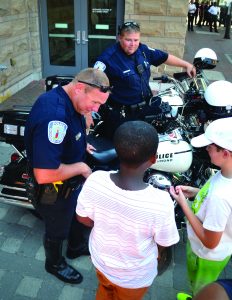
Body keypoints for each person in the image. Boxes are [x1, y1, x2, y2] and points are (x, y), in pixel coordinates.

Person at [24, 68, 110, 284]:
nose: (96, 109)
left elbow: (74, 128)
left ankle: (76, 247)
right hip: (52, 190)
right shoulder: (54, 116)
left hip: (70, 183)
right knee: (58, 227)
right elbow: (44, 174)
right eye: (95, 103)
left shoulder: (71, 97)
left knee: (75, 215)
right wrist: (81, 167)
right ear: (80, 88)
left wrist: (81, 141)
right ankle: (54, 263)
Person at [76, 120, 179, 300]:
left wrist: (105, 223)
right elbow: (164, 242)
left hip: (101, 260)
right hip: (134, 277)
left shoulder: (95, 179)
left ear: (116, 151)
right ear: (154, 159)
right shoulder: (161, 202)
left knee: (105, 288)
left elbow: (82, 218)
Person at [93, 21, 196, 138]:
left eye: (136, 40)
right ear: (119, 38)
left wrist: (187, 65)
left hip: (145, 108)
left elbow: (164, 57)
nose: (132, 44)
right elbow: (92, 86)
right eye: (128, 40)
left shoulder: (143, 50)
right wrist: (87, 114)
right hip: (122, 116)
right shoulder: (107, 59)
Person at [170, 117, 232, 300]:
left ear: (226, 153)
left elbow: (209, 241)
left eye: (210, 147)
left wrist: (183, 204)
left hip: (206, 255)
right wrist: (196, 192)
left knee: (202, 290)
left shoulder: (221, 196)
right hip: (211, 251)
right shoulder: (225, 174)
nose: (206, 149)